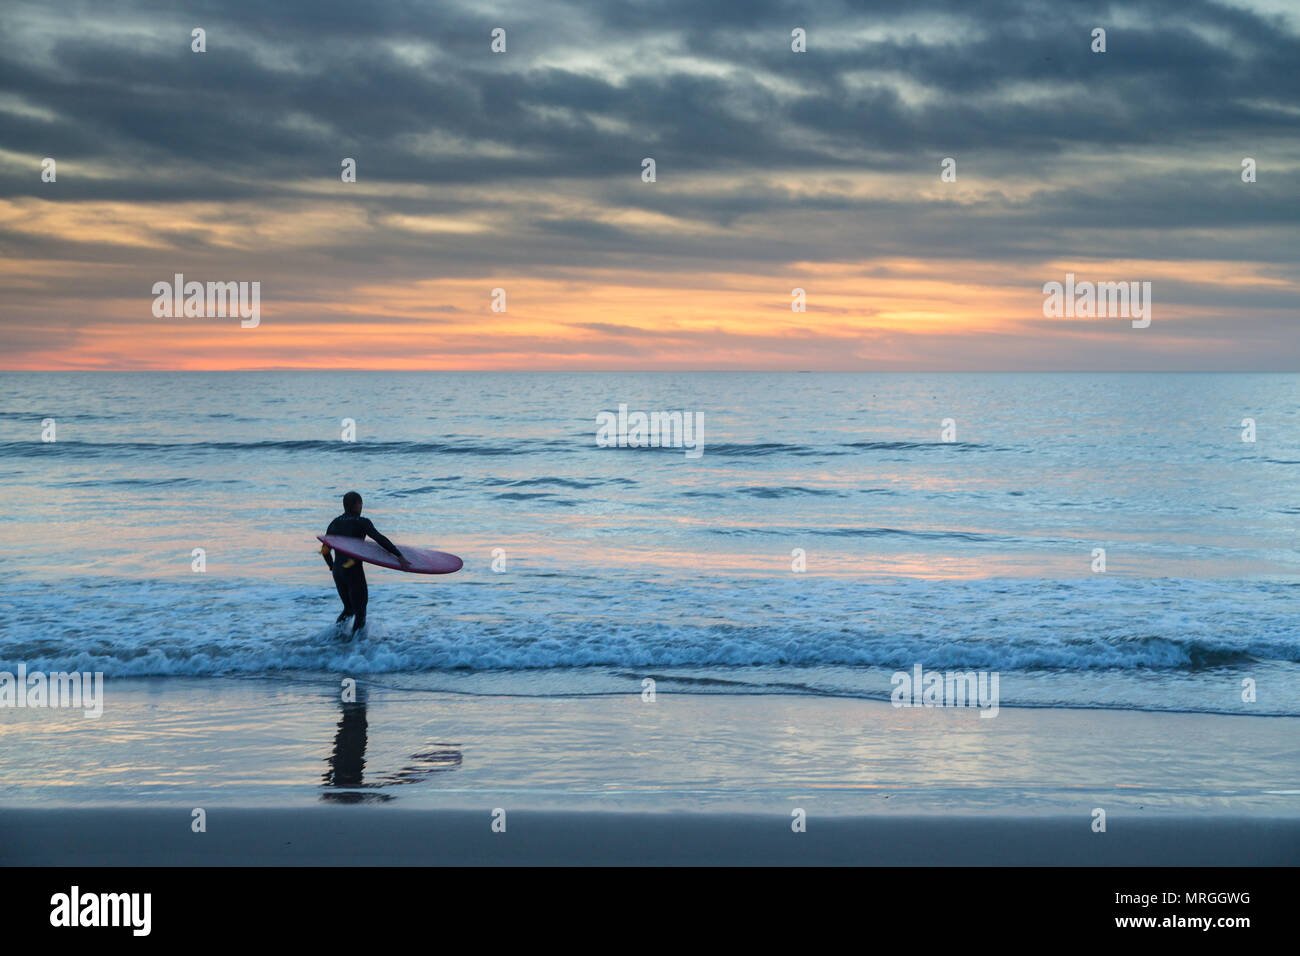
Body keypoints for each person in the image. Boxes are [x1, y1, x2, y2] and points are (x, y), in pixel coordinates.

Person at [321, 491, 409, 638]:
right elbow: (379, 538)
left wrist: (331, 566)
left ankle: (335, 638)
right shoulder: (361, 522)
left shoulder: (334, 523)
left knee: (349, 609)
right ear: (357, 505)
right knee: (360, 611)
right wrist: (398, 555)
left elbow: (325, 550)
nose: (362, 507)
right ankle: (356, 646)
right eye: (361, 504)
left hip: (338, 571)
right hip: (353, 570)